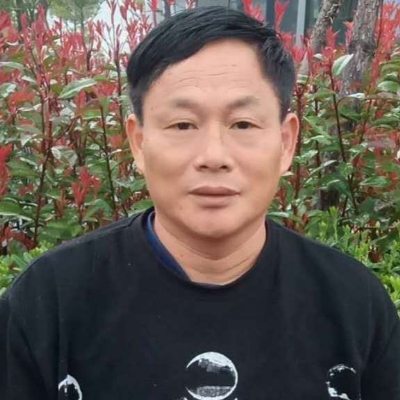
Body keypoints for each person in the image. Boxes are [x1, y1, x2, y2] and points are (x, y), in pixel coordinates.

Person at [1, 6, 399, 400]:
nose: (213, 156)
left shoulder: (353, 304)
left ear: (285, 142)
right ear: (139, 142)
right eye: (183, 125)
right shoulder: (49, 303)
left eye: (242, 124)